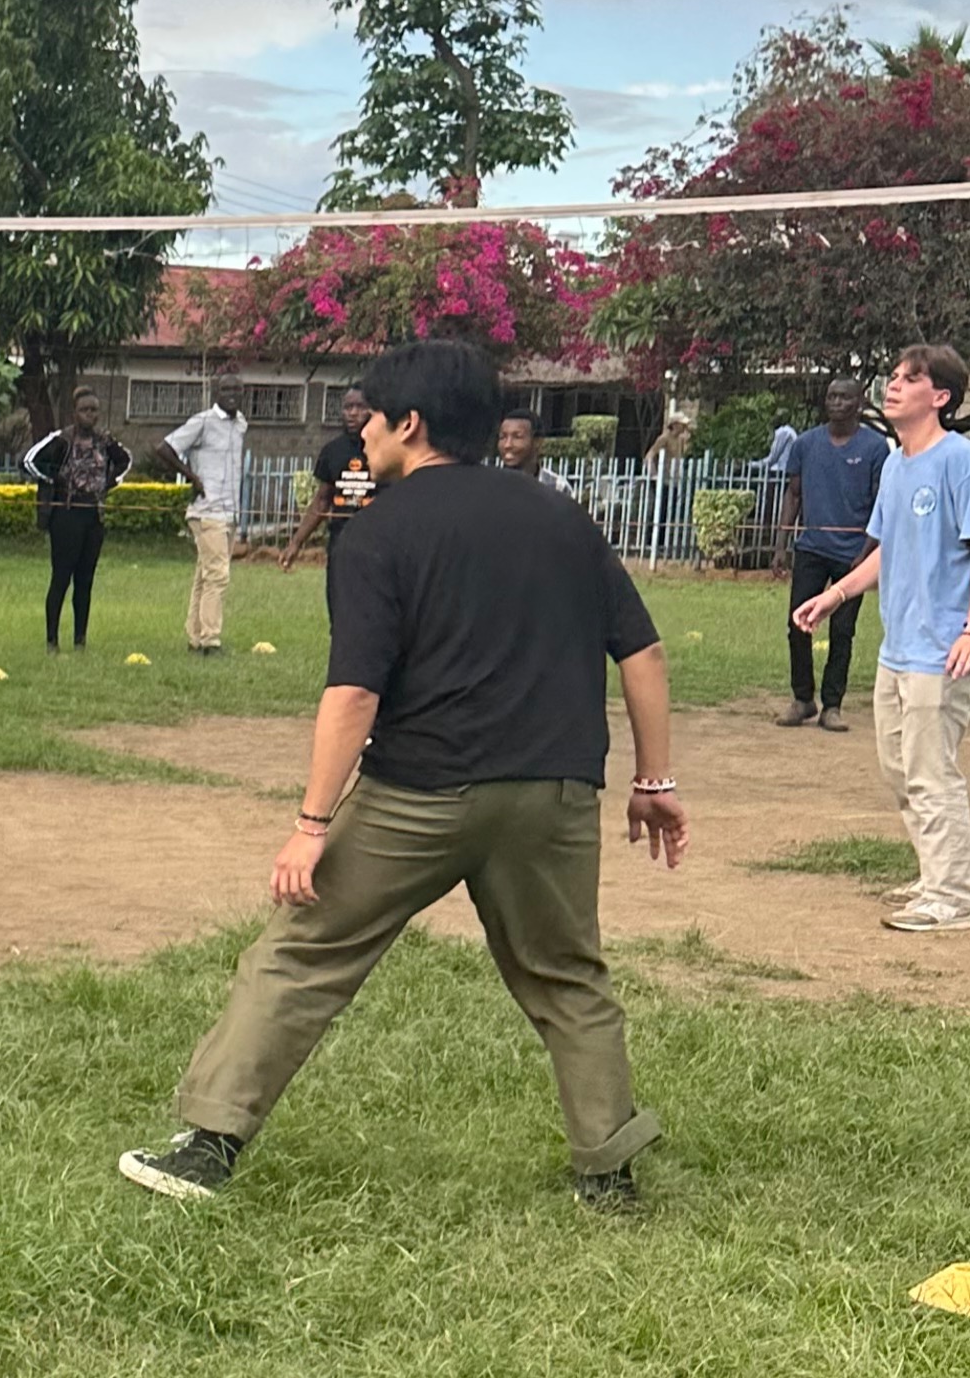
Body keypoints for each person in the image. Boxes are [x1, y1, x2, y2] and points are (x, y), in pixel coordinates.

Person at [117, 340, 686, 1211]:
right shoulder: (559, 517)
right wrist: (654, 782)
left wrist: (310, 826)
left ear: (408, 425)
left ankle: (207, 1147)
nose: (363, 431)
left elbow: (353, 693)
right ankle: (608, 1173)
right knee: (570, 978)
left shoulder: (378, 527)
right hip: (553, 793)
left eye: (370, 416)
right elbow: (641, 653)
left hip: (420, 796)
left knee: (302, 955)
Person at [794, 343, 970, 934]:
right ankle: (945, 871)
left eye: (910, 379)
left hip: (946, 648)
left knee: (929, 769)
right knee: (899, 766)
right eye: (892, 376)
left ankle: (954, 898)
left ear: (939, 396)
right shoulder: (896, 464)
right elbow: (885, 551)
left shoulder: (959, 461)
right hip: (900, 647)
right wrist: (834, 595)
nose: (893, 386)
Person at [774, 376, 889, 732]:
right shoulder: (806, 444)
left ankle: (832, 705)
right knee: (798, 625)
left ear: (860, 403)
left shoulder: (875, 448)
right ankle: (802, 698)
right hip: (812, 547)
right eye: (831, 396)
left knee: (842, 630)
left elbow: (881, 506)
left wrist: (867, 554)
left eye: (844, 397)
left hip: (855, 555)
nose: (836, 402)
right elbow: (794, 494)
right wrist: (781, 544)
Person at [23, 388, 130, 650]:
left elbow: (125, 461)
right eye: (85, 410)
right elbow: (29, 461)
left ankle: (80, 639)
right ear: (75, 412)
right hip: (66, 515)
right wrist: (55, 479)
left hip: (93, 515)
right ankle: (52, 640)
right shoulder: (61, 440)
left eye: (94, 410)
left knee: (86, 579)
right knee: (61, 577)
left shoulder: (104, 441)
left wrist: (109, 482)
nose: (90, 415)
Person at [163, 368, 249, 654]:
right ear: (215, 393)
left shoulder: (240, 425)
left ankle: (195, 635)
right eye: (226, 390)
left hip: (230, 510)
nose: (232, 395)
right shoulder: (203, 422)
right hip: (207, 509)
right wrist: (192, 476)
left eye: (237, 390)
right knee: (219, 575)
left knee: (205, 575)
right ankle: (211, 640)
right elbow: (165, 448)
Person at [279, 386, 377, 571]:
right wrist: (296, 543)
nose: (353, 413)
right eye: (348, 407)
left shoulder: (386, 449)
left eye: (360, 407)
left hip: (377, 542)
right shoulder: (332, 452)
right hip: (341, 541)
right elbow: (322, 501)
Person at [497, 408, 572, 494]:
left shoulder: (557, 487)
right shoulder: (489, 484)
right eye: (502, 437)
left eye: (517, 437)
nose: (507, 445)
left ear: (537, 442)